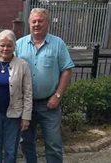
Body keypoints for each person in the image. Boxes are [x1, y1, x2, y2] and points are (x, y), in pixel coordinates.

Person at [15, 8, 75, 163]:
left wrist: (58, 95)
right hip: (25, 105)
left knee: (54, 144)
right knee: (26, 142)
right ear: (29, 23)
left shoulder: (58, 43)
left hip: (49, 104)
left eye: (40, 21)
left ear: (47, 23)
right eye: (33, 21)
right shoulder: (19, 45)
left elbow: (67, 70)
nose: (36, 24)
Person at [0, 29, 33, 163]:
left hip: (14, 115)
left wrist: (26, 117)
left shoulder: (23, 65)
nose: (5, 48)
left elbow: (28, 93)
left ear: (14, 47)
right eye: (2, 45)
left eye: (9, 45)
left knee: (11, 150)